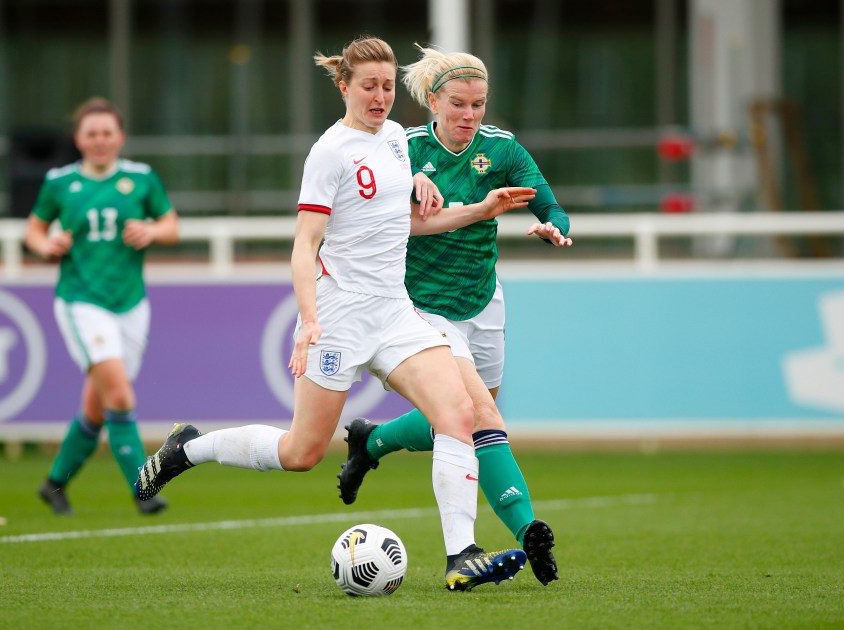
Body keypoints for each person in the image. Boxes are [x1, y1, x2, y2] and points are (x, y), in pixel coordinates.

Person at [134, 36, 537, 591]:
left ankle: (461, 554)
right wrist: (311, 321)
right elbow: (305, 245)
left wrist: (480, 210)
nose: (380, 98)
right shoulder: (329, 153)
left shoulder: (397, 139)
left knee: (460, 413)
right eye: (368, 86)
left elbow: (407, 225)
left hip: (395, 313)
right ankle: (190, 447)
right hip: (340, 320)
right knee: (302, 452)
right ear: (344, 86)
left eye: (388, 87)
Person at [335, 44, 573, 586]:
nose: (470, 116)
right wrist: (411, 181)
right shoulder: (403, 148)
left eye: (480, 105)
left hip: (482, 301)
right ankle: (524, 529)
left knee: (462, 415)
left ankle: (372, 441)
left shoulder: (502, 150)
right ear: (434, 102)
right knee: (482, 417)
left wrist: (551, 224)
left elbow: (548, 201)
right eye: (460, 104)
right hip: (423, 308)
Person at [25, 97, 180, 516]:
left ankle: (54, 484)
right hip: (81, 302)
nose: (100, 140)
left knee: (98, 405)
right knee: (121, 394)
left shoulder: (141, 178)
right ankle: (142, 487)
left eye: (107, 133)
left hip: (130, 303)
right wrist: (47, 244)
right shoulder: (60, 182)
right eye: (91, 133)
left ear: (120, 137)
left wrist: (151, 230)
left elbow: (171, 225)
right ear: (78, 139)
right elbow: (34, 231)